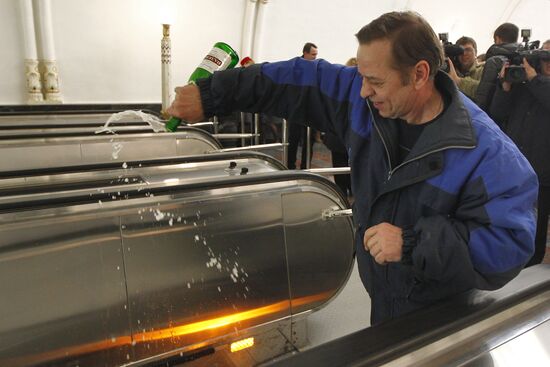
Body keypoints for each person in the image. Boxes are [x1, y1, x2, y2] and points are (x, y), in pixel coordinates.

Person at [167, 11, 537, 325]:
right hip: (383, 299)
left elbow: (509, 245)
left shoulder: (487, 154)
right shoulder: (361, 99)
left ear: (420, 74)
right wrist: (212, 94)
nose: (362, 91)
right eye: (361, 75)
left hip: (441, 319)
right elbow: (291, 79)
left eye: (375, 80)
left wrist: (412, 243)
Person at [490, 39, 550, 266]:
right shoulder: (524, 84)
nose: (547, 63)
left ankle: (532, 269)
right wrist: (505, 87)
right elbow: (497, 112)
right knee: (512, 219)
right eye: (544, 57)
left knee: (536, 226)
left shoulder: (535, 84)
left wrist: (535, 79)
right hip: (517, 168)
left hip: (543, 173)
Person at [322, 57, 356, 197]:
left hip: (338, 135)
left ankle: (342, 194)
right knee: (351, 167)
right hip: (346, 137)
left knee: (339, 166)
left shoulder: (338, 87)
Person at [287, 42, 319, 169]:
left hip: (310, 110)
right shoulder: (294, 67)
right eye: (312, 55)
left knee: (308, 141)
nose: (315, 57)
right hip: (295, 109)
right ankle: (290, 166)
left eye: (316, 55)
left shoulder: (315, 68)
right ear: (305, 53)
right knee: (293, 139)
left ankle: (306, 167)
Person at [475, 23, 520, 111]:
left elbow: (484, 94)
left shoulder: (494, 61)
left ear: (498, 39)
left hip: (495, 113)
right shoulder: (524, 60)